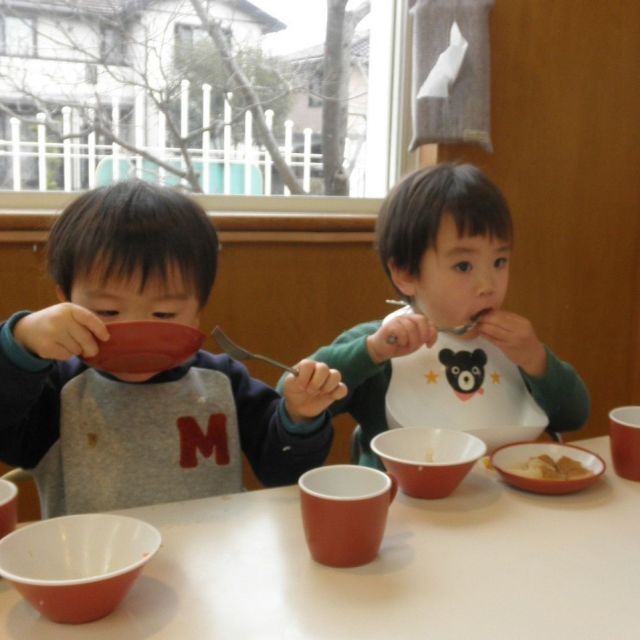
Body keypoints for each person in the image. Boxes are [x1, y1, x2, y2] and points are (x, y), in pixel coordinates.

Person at [0, 180, 347, 517]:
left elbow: (281, 472)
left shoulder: (221, 381)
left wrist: (300, 418)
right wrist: (21, 344)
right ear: (66, 299)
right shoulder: (57, 389)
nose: (135, 334)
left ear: (197, 311)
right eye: (107, 312)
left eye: (163, 314)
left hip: (208, 566)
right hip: (92, 566)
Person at [279, 163, 589, 467]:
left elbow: (574, 416)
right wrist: (371, 352)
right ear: (405, 273)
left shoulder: (514, 347)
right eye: (463, 266)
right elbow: (288, 397)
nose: (488, 285)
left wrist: (537, 360)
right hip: (400, 509)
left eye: (500, 261)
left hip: (502, 508)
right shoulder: (379, 346)